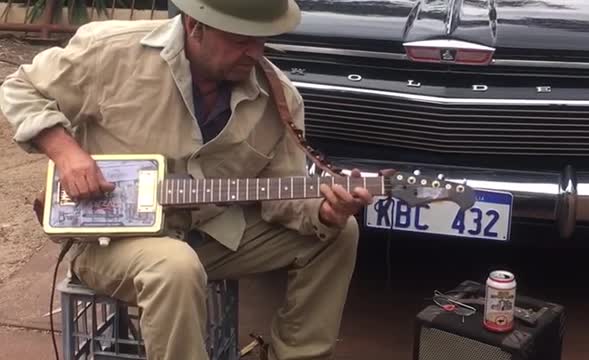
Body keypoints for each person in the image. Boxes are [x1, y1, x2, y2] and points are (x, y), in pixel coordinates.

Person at [0, 1, 375, 359]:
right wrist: (67, 152)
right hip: (112, 242)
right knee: (175, 266)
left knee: (340, 234)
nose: (255, 53)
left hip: (210, 236)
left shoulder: (277, 98)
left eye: (262, 40)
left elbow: (281, 194)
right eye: (241, 40)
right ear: (196, 26)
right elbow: (20, 88)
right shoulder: (112, 50)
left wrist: (324, 212)